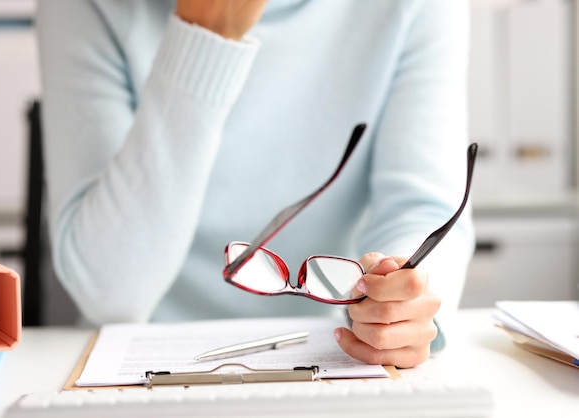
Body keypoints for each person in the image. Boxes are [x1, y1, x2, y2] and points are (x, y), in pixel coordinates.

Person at [36, 0, 474, 369]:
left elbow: (421, 208)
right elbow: (111, 293)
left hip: (339, 356)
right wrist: (206, 32)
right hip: (139, 366)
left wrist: (399, 307)